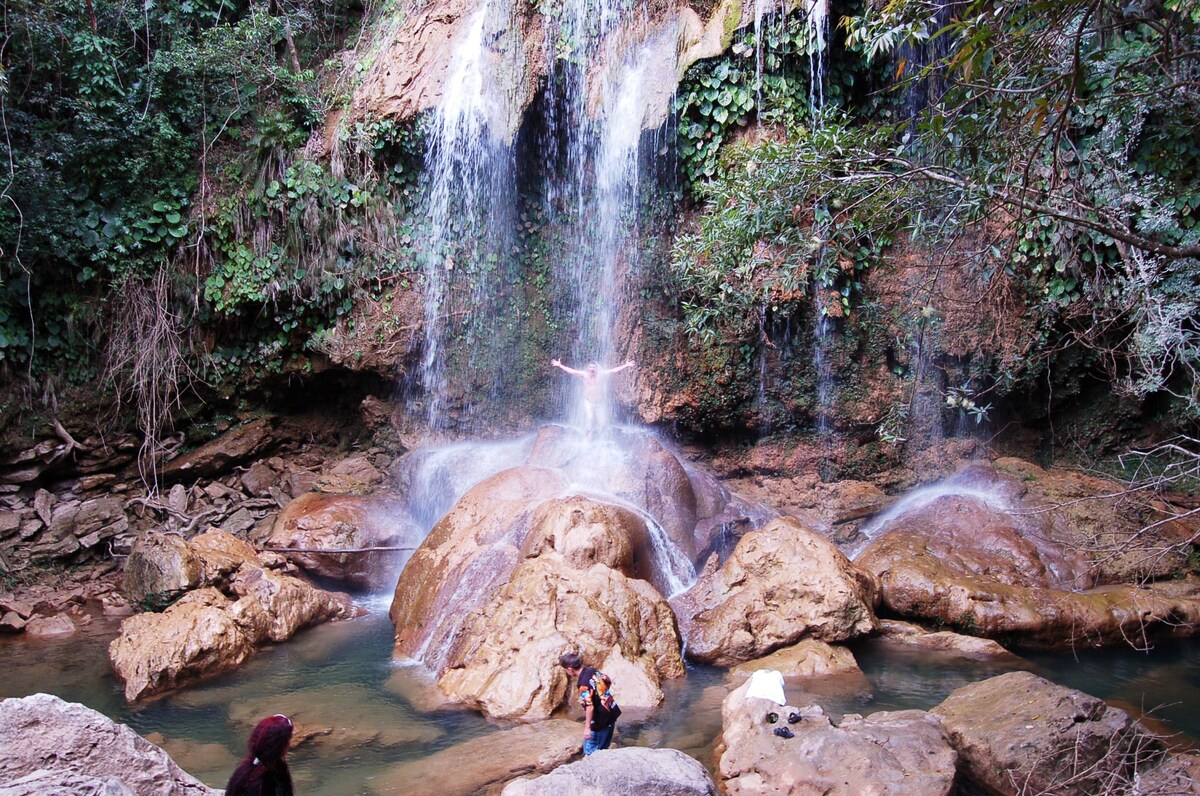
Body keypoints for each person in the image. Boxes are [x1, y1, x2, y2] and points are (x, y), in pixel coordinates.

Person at [550, 358, 635, 438]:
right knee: (589, 418)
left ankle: (602, 439)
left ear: (596, 368)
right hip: (588, 402)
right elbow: (572, 371)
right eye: (590, 367)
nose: (592, 369)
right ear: (588, 368)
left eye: (594, 367)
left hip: (600, 402)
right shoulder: (584, 374)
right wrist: (560, 365)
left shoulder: (601, 374)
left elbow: (613, 371)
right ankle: (587, 436)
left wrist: (626, 365)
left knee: (603, 422)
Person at [559, 651, 621, 755]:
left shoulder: (583, 684)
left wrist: (587, 728)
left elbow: (590, 707)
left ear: (570, 669)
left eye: (566, 670)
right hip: (611, 712)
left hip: (599, 720)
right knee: (604, 749)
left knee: (590, 752)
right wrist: (602, 695)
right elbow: (607, 679)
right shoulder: (591, 670)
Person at [226, 714, 295, 796]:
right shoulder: (261, 784)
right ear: (279, 747)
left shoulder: (245, 770)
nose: (289, 744)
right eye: (288, 740)